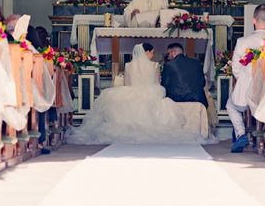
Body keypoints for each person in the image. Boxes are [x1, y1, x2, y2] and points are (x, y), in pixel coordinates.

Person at [69, 43, 203, 144]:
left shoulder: (128, 65)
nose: (152, 55)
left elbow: (127, 84)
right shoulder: (155, 65)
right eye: (152, 53)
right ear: (147, 52)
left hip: (132, 92)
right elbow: (157, 83)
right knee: (160, 96)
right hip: (150, 92)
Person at [227, 4, 265, 153]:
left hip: (248, 91)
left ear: (254, 20)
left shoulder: (243, 42)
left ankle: (241, 134)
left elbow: (235, 68)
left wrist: (246, 81)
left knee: (231, 105)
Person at [161, 43, 208, 107]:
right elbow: (203, 83)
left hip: (176, 100)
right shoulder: (196, 63)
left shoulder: (169, 65)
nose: (168, 56)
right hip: (198, 99)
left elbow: (164, 85)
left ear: (173, 52)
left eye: (168, 53)